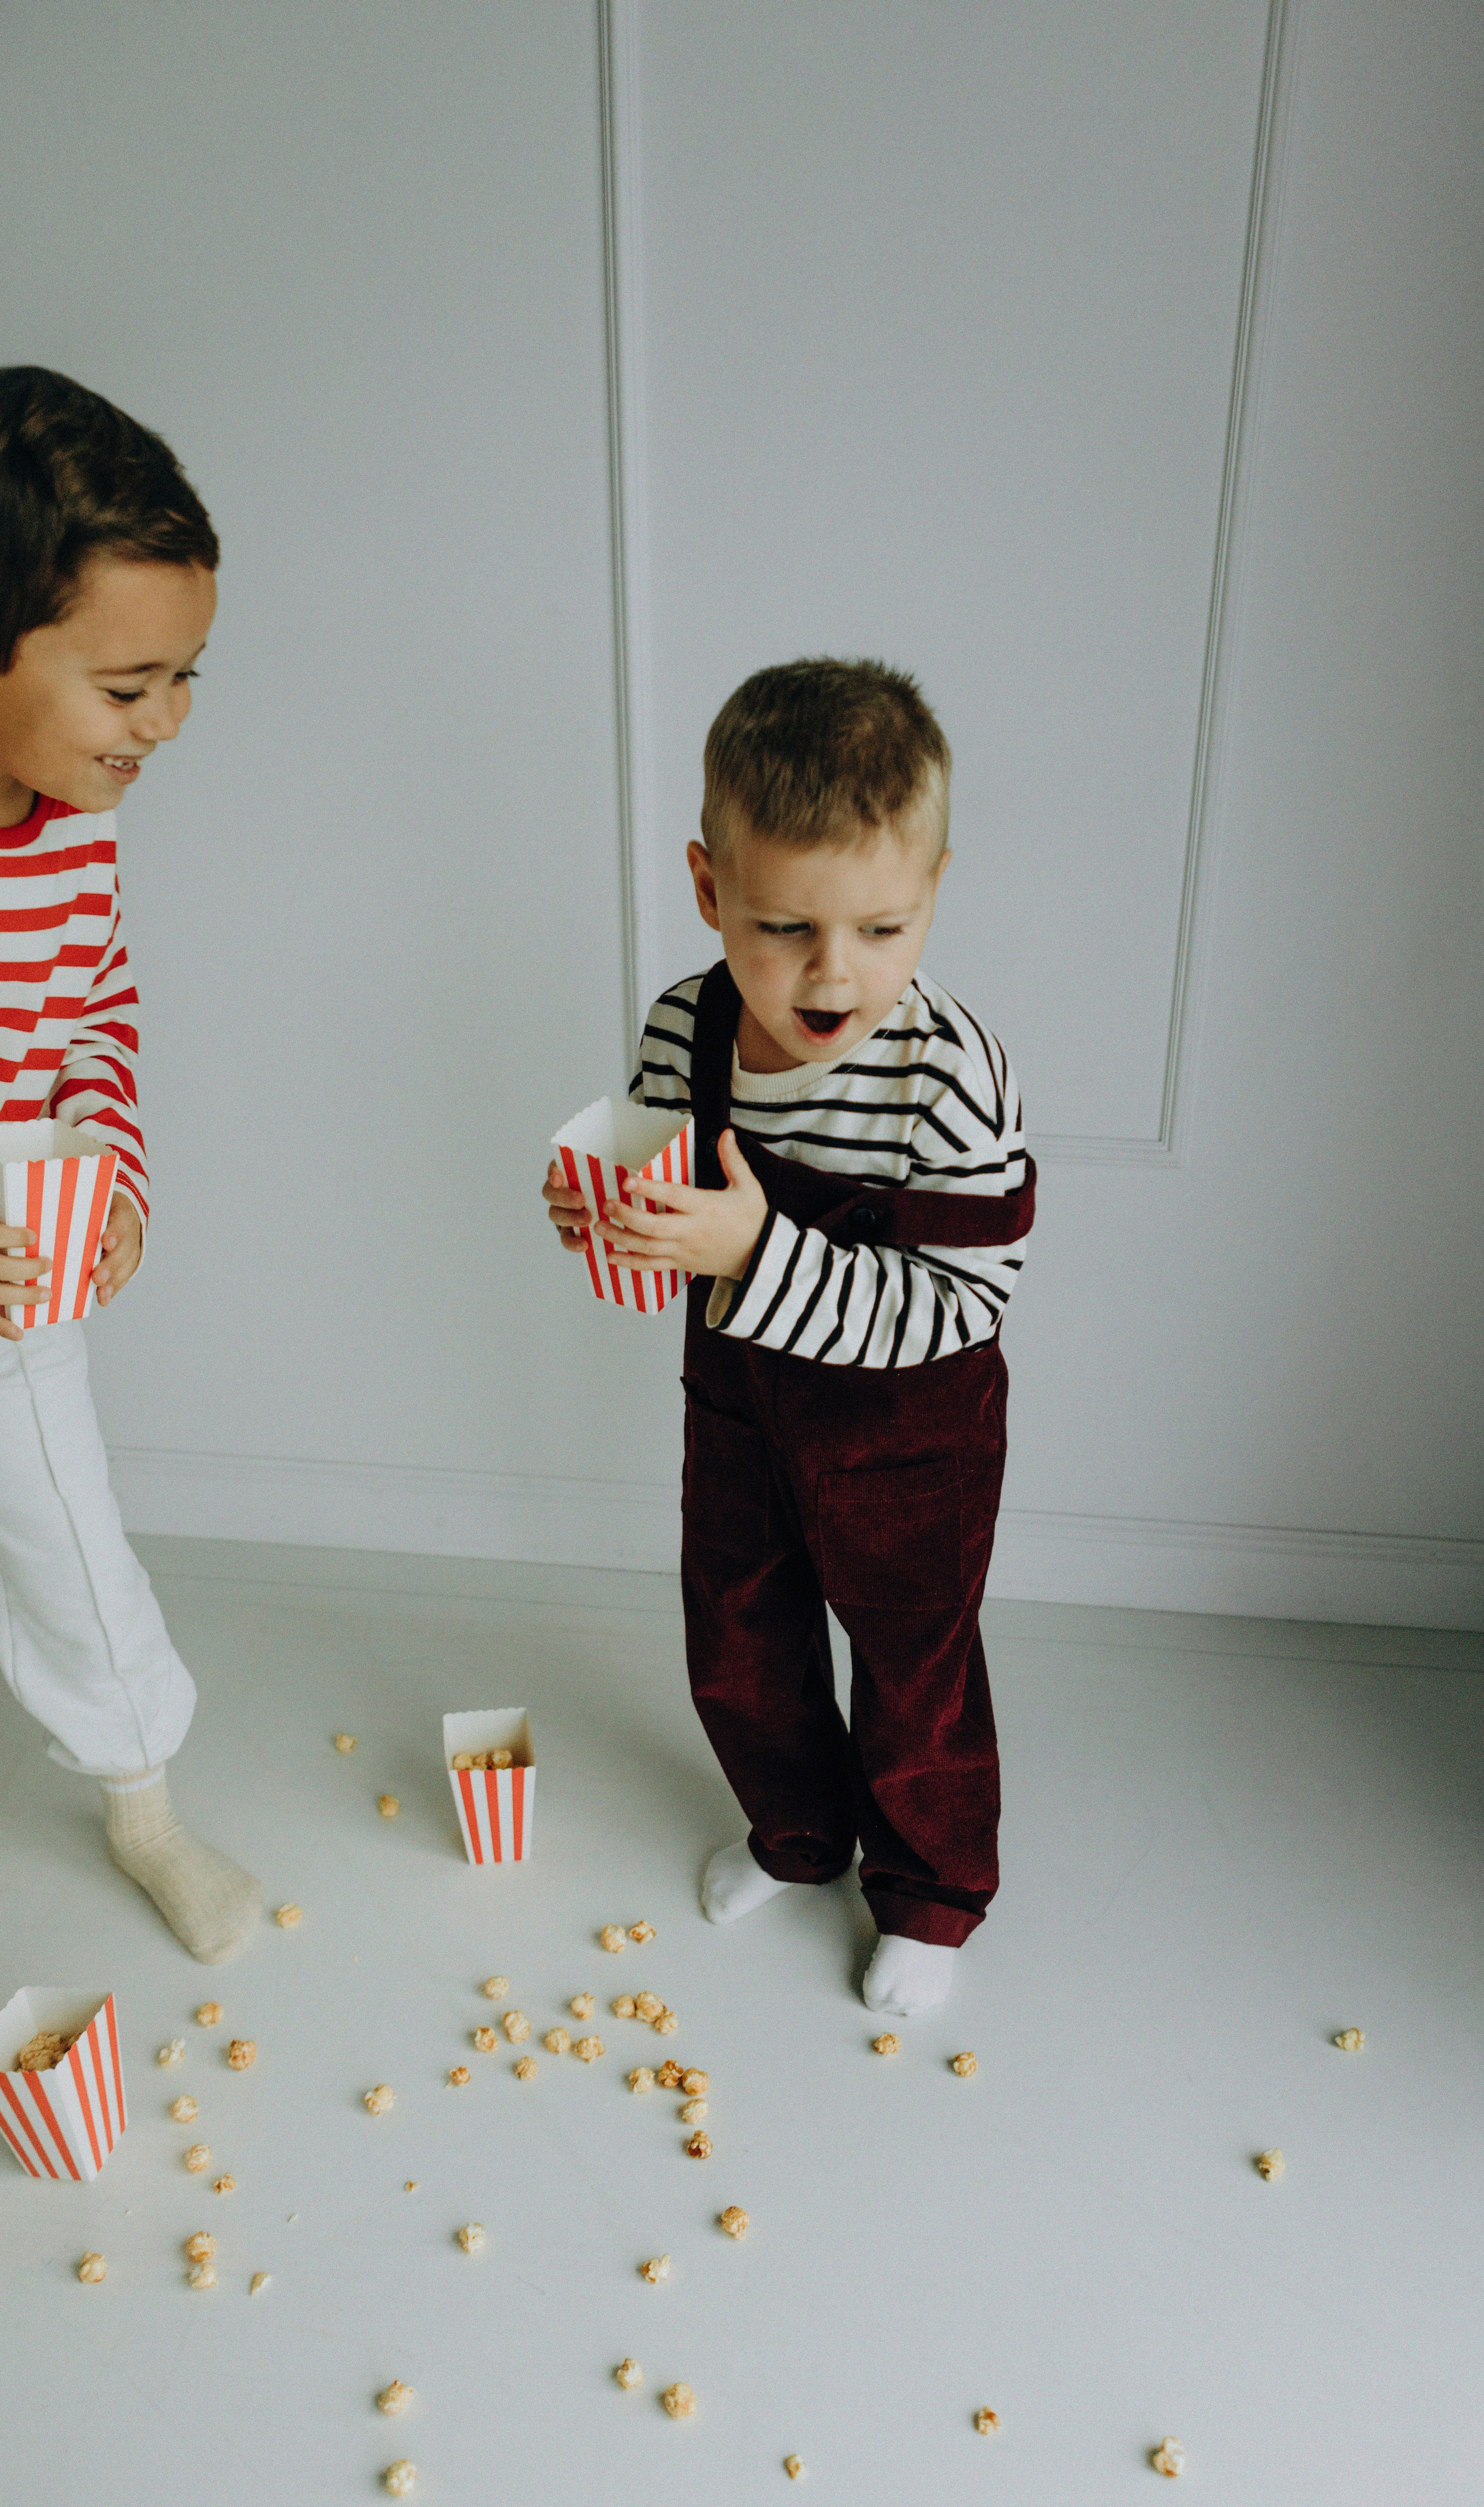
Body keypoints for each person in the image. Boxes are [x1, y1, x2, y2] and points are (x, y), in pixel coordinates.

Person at [546, 658, 1034, 2014]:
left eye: (882, 928)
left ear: (934, 889)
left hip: (909, 1435)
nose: (833, 972)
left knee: (913, 1665)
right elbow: (659, 1189)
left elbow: (965, 1300)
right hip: (741, 1406)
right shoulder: (687, 1031)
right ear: (709, 890)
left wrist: (756, 1254)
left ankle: (930, 1890)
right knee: (738, 1633)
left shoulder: (949, 1077)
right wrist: (603, 1212)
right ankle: (797, 1832)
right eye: (783, 927)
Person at [0, 366, 259, 1962]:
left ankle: (142, 1802)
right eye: (128, 684)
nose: (166, 721)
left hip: (15, 1270)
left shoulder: (74, 830)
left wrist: (111, 1163)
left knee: (68, 1535)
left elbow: (93, 1004)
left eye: (184, 677)